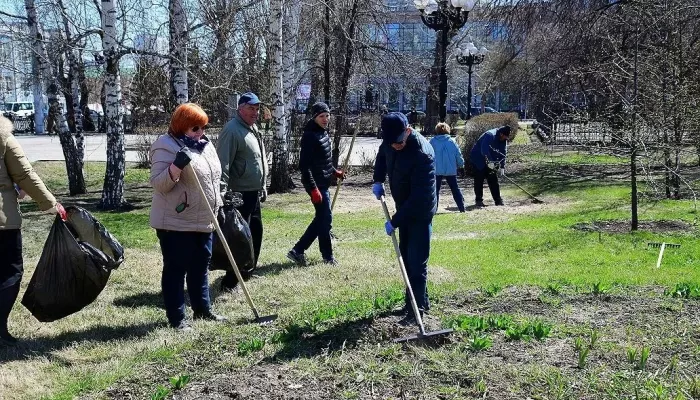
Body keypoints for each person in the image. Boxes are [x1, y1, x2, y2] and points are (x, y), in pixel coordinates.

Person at [150, 103, 226, 331]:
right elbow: (158, 184)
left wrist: (220, 200)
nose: (200, 132)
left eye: (203, 127)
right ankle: (177, 318)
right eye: (194, 128)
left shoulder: (205, 145)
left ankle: (203, 310)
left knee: (200, 266)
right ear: (182, 126)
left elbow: (214, 176)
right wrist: (176, 166)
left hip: (205, 217)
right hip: (176, 220)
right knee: (176, 269)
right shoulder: (165, 145)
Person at [1, 115, 66, 343]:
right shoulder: (3, 136)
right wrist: (50, 204)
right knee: (10, 272)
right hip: (2, 222)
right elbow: (24, 174)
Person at [372, 112, 437, 322]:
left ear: (408, 131)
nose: (395, 146)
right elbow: (382, 155)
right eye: (391, 142)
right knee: (407, 260)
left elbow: (420, 198)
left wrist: (395, 221)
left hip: (420, 212)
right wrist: (378, 179)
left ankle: (417, 309)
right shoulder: (390, 141)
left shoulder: (422, 154)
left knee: (417, 262)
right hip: (403, 207)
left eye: (399, 141)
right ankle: (415, 303)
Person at [217, 92, 268, 291]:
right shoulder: (232, 130)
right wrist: (222, 192)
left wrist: (262, 185)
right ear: (240, 108)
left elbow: (258, 160)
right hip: (238, 194)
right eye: (251, 108)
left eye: (257, 109)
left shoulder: (252, 128)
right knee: (239, 238)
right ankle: (230, 281)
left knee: (255, 232)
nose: (255, 112)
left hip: (253, 192)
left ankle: (247, 272)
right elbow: (223, 163)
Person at [287, 102, 345, 267]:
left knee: (321, 219)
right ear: (315, 117)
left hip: (323, 182)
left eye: (327, 115)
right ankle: (327, 257)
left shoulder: (323, 132)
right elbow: (305, 167)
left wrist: (335, 172)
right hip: (315, 184)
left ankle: (297, 251)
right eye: (322, 116)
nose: (325, 119)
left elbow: (323, 161)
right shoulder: (310, 136)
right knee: (325, 220)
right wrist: (313, 189)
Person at [469, 125, 511, 207]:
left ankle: (498, 200)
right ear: (501, 134)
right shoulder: (489, 135)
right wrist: (491, 163)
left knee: (493, 179)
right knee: (479, 179)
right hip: (478, 158)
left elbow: (503, 153)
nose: (505, 139)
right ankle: (479, 200)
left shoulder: (503, 140)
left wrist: (502, 166)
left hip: (490, 159)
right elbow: (484, 151)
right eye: (505, 137)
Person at [429, 122, 465, 212]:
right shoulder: (452, 141)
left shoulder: (432, 141)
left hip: (436, 169)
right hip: (450, 169)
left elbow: (428, 154)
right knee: (455, 189)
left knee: (435, 190)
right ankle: (461, 207)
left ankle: (434, 210)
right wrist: (461, 165)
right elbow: (458, 155)